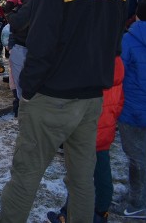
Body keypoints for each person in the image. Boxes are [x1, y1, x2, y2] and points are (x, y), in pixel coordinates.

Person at [0, 0, 126, 223]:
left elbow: (41, 45)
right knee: (82, 178)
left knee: (26, 174)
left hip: (52, 96)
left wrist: (28, 90)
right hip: (92, 97)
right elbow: (114, 46)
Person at [47, 56, 125, 223]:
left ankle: (67, 215)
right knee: (102, 170)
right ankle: (101, 212)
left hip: (85, 129)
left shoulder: (84, 58)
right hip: (105, 128)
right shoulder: (115, 61)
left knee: (78, 177)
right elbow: (119, 101)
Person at [115, 0, 146, 219]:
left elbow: (118, 73)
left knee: (138, 157)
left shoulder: (129, 39)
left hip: (135, 111)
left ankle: (136, 204)